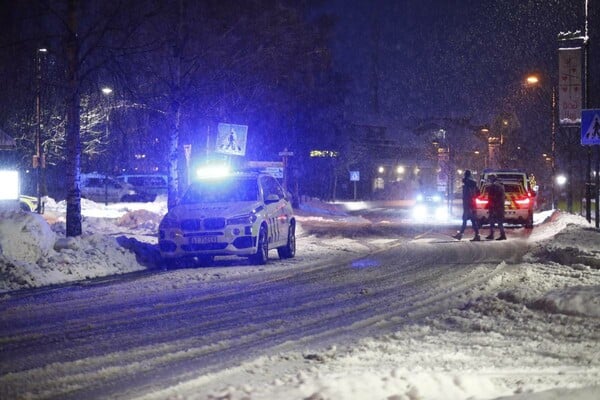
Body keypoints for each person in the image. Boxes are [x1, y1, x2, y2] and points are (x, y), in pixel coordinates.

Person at [453, 170, 480, 241]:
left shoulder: (466, 185)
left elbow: (466, 196)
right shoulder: (474, 185)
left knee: (466, 220)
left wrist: (468, 201)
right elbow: (478, 193)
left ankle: (461, 234)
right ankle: (477, 235)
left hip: (468, 205)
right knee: (472, 220)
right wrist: (473, 199)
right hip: (473, 204)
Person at [486, 174, 507, 240]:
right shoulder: (500, 185)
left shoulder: (494, 186)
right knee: (498, 221)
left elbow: (493, 197)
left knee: (494, 221)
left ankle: (499, 235)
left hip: (495, 206)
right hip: (499, 206)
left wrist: (493, 204)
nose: (489, 180)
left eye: (490, 179)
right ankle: (497, 234)